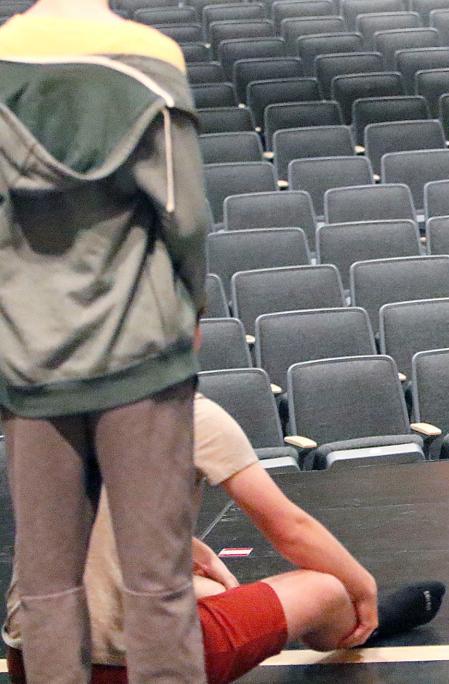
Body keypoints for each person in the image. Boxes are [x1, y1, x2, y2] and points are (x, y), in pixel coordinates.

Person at [0, 1, 209, 680]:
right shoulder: (151, 58)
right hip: (143, 358)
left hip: (28, 361)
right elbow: (187, 217)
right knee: (159, 584)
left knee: (46, 588)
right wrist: (192, 303)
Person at [4, 393, 446, 684]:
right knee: (325, 588)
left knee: (212, 587)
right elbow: (291, 530)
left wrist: (184, 544)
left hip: (30, 659)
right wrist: (362, 587)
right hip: (136, 668)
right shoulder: (188, 413)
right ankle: (355, 628)